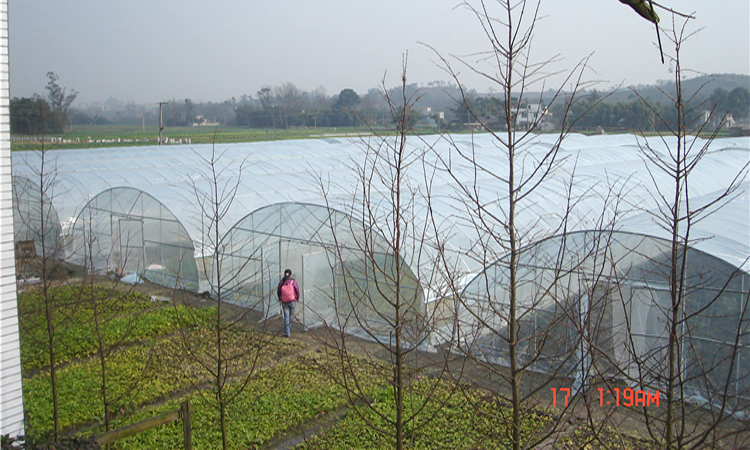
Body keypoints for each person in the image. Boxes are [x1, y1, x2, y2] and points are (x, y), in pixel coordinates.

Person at [277, 268, 299, 337]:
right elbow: (297, 290)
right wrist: (297, 298)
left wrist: (280, 298)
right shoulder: (293, 282)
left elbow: (278, 291)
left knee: (286, 316)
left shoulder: (282, 282)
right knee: (290, 316)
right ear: (290, 274)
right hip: (292, 301)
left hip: (284, 301)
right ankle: (288, 329)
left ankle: (287, 332)